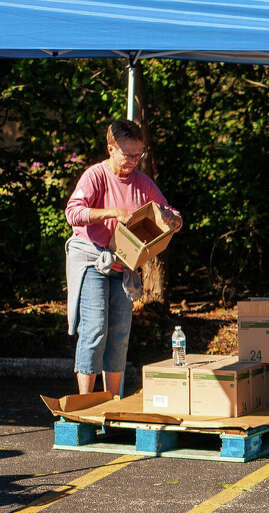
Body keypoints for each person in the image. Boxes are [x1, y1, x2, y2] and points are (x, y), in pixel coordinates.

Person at [64, 119, 183, 395]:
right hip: (93, 259)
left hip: (124, 263)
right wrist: (112, 212)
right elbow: (73, 213)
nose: (133, 161)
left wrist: (172, 219)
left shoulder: (142, 183)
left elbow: (173, 215)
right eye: (127, 154)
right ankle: (87, 404)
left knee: (119, 335)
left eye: (138, 154)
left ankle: (113, 401)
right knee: (95, 331)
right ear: (111, 149)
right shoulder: (95, 176)